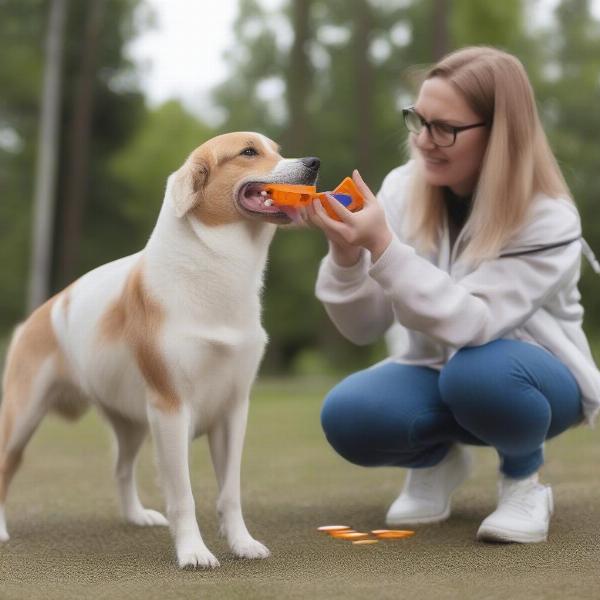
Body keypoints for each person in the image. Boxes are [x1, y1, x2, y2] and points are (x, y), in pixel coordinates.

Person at [302, 46, 600, 544]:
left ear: (500, 133)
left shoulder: (548, 217)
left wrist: (381, 244)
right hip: (437, 371)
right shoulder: (401, 189)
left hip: (536, 377)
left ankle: (524, 480)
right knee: (349, 415)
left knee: (480, 371)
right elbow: (362, 328)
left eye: (445, 128)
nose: (423, 140)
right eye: (418, 119)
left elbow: (474, 325)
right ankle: (436, 461)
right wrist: (346, 255)